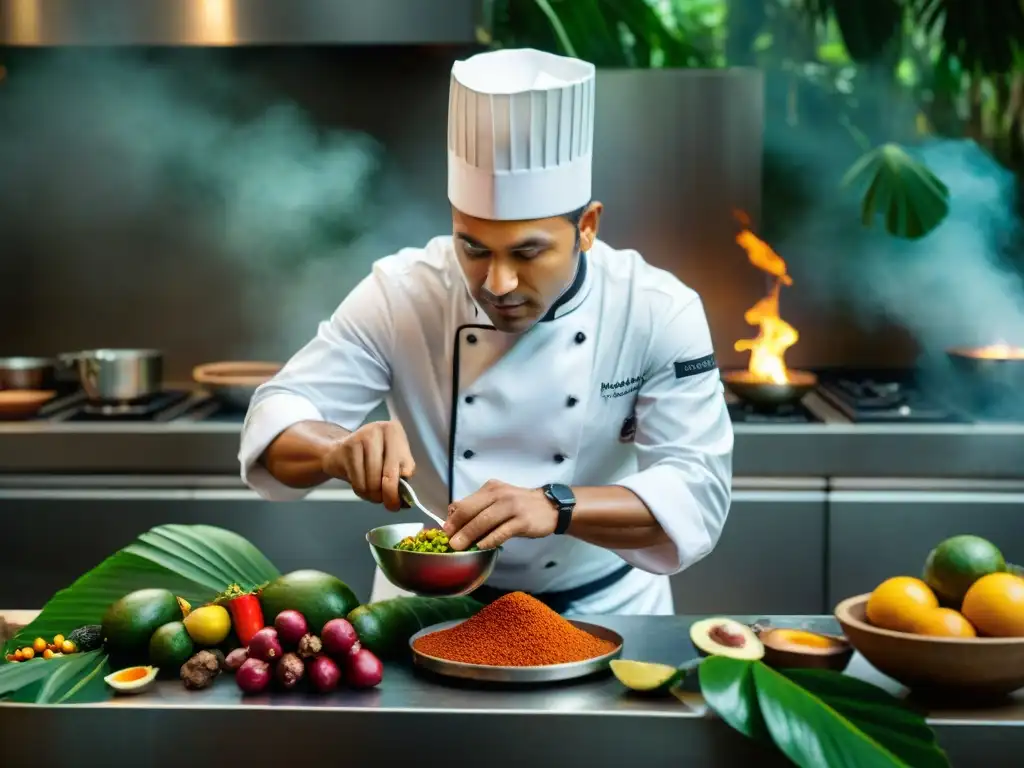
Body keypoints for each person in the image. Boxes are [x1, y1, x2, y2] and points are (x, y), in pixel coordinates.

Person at [239, 47, 734, 616]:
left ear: (588, 227)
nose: (497, 283)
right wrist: (336, 449)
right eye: (473, 247)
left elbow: (697, 491)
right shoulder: (402, 293)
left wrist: (558, 505)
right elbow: (277, 416)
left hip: (608, 613)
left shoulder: (655, 310)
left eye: (528, 252)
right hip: (426, 608)